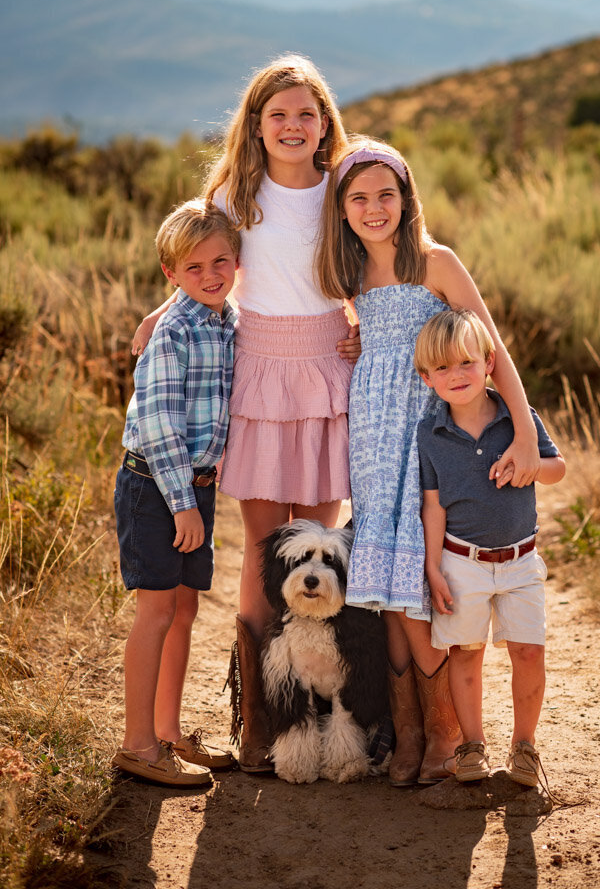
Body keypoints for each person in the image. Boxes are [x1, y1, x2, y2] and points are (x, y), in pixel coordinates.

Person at [132, 55, 359, 773]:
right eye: (278, 116)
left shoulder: (341, 189)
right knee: (266, 560)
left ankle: (319, 724)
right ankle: (257, 725)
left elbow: (373, 263)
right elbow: (204, 259)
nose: (293, 126)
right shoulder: (239, 191)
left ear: (324, 125)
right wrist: (161, 312)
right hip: (258, 372)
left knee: (317, 551)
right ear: (256, 128)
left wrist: (360, 323)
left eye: (306, 115)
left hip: (328, 368)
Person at [316, 136, 542, 787]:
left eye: (386, 193)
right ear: (343, 210)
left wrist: (523, 434)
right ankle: (407, 734)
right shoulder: (351, 275)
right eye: (358, 198)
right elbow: (370, 341)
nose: (374, 207)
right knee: (387, 584)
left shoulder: (435, 262)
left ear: (406, 197)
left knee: (422, 575)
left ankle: (445, 733)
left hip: (426, 433)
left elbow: (491, 350)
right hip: (373, 438)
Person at [113, 198, 240, 787]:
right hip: (157, 485)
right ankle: (137, 744)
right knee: (157, 610)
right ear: (171, 275)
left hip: (195, 488)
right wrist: (183, 505)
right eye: (195, 269)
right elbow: (161, 426)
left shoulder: (227, 319)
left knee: (184, 609)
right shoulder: (175, 330)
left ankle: (168, 732)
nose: (211, 276)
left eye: (221, 261)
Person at [415, 308, 565, 785]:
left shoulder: (517, 420)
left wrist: (530, 465)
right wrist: (433, 567)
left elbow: (558, 467)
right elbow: (433, 506)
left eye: (466, 362)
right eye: (442, 368)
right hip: (463, 562)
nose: (456, 375)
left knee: (528, 652)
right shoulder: (430, 432)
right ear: (426, 378)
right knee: (465, 653)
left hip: (521, 559)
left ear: (488, 362)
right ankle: (471, 746)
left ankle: (525, 748)